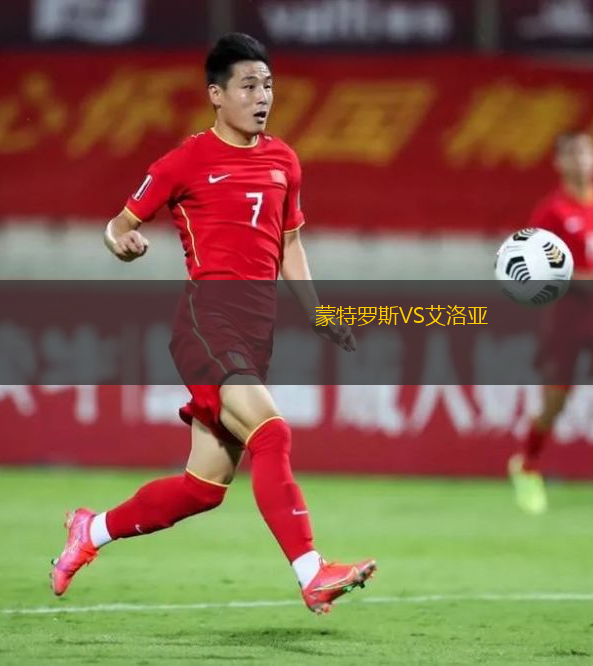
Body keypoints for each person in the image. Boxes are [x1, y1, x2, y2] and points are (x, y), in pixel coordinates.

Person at [50, 33, 375, 615]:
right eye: (248, 86)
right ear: (216, 95)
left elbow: (290, 246)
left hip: (255, 334)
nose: (262, 97)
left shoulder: (284, 161)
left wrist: (319, 313)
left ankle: (90, 530)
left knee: (203, 489)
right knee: (273, 433)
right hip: (207, 322)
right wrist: (120, 241)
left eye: (268, 85)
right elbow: (118, 224)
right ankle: (312, 571)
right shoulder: (186, 160)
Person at [507, 132, 593, 518]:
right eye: (572, 155)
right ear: (559, 163)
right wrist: (583, 280)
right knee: (556, 402)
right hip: (565, 318)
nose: (581, 161)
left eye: (586, 153)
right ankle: (527, 467)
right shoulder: (551, 212)